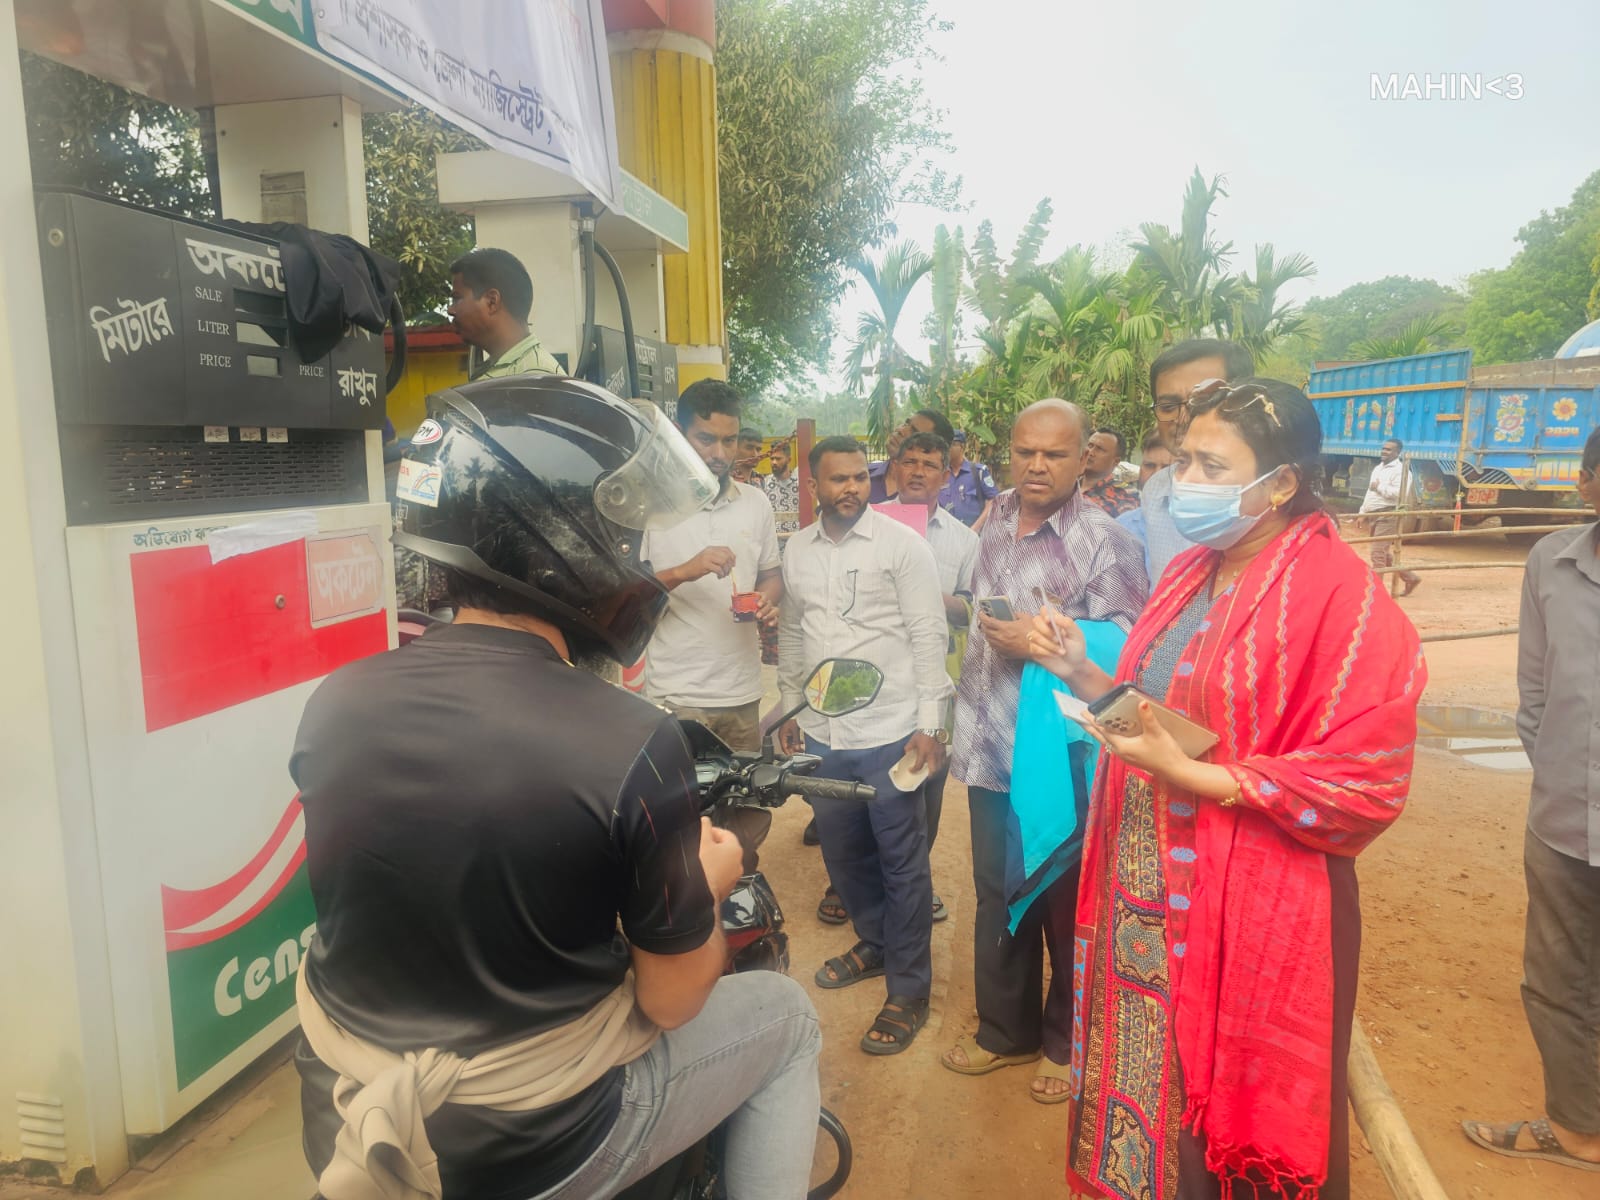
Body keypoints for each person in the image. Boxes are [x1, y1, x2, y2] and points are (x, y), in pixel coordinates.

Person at [294, 375, 821, 1200]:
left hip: (349, 1118)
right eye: (622, 531)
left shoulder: (335, 701)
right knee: (789, 1018)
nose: (632, 556)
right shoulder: (627, 738)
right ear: (556, 535)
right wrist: (711, 885)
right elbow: (674, 999)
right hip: (543, 1147)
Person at [1032, 377, 1426, 1199]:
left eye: (1213, 464)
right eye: (1183, 461)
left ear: (1280, 483)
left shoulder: (1339, 596)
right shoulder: (1190, 575)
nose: (1187, 482)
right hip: (1145, 881)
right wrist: (1082, 670)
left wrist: (1199, 777)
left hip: (1252, 896)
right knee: (1157, 1097)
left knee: (1233, 1132)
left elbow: (1367, 780)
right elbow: (1163, 712)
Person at [942, 400, 1148, 1103]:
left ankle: (1067, 1043)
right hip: (986, 740)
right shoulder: (994, 515)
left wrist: (1041, 636)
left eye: (1054, 455)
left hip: (1057, 757)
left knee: (1064, 899)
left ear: (1085, 457)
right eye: (1024, 450)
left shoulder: (1104, 538)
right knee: (997, 895)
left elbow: (1127, 642)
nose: (1036, 465)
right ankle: (1006, 1033)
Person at [778, 436, 952, 1056]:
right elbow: (796, 634)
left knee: (902, 861)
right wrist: (790, 707)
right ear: (813, 485)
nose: (850, 488)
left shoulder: (903, 546)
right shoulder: (796, 550)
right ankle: (876, 942)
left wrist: (930, 722)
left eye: (859, 477)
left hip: (892, 732)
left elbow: (929, 634)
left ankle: (909, 988)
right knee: (845, 856)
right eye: (837, 479)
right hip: (826, 731)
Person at [1462, 425, 1600, 1173]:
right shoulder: (1552, 560)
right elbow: (1535, 691)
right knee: (1558, 976)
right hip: (1563, 819)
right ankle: (1579, 1127)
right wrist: (1556, 770)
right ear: (1586, 482)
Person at [818, 431, 979, 928]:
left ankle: (912, 880)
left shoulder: (963, 539)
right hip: (866, 683)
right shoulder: (866, 522)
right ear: (892, 468)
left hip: (933, 678)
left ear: (946, 475)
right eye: (907, 462)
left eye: (929, 465)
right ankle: (849, 884)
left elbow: (970, 609)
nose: (916, 472)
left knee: (921, 786)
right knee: (853, 783)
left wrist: (929, 596)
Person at [643, 381, 781, 752]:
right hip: (676, 696)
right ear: (678, 433)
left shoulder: (755, 504)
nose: (719, 454)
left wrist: (765, 600)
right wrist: (686, 570)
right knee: (682, 809)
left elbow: (770, 574)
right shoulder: (649, 504)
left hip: (742, 694)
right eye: (706, 439)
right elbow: (626, 592)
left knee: (745, 808)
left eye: (730, 441)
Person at [1133, 339, 1255, 581]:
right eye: (1167, 406)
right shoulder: (1156, 490)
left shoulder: (1267, 494)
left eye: (1202, 401)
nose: (1183, 417)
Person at [447, 247, 563, 379]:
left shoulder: (533, 376)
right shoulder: (512, 371)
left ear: (492, 302)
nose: (450, 310)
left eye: (457, 298)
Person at [1360, 437, 1422, 596]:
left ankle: (1376, 593)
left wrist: (1379, 487)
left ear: (1397, 452)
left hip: (1388, 515)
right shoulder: (1378, 468)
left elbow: (1399, 495)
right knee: (1383, 553)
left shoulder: (1401, 471)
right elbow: (1369, 493)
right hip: (1374, 514)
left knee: (1377, 553)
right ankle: (1410, 577)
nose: (1384, 451)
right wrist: (1362, 513)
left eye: (1388, 449)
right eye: (1383, 448)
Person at [870, 408, 957, 502]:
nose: (900, 430)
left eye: (914, 432)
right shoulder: (863, 476)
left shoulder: (942, 500)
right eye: (906, 423)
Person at [1116, 431, 1177, 549]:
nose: (1156, 475)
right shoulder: (1120, 528)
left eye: (1167, 468)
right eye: (1149, 466)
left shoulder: (1200, 533)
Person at [941, 430, 1001, 530]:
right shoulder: (941, 475)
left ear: (962, 447)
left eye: (951, 444)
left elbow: (993, 501)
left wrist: (975, 529)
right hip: (948, 536)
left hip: (975, 536)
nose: (947, 449)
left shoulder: (978, 471)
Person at [1080, 427, 1140, 517]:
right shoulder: (1066, 484)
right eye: (1090, 445)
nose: (1090, 452)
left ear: (1116, 461)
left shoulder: (1126, 496)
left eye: (1099, 449)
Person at [763, 437, 800, 534]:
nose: (774, 462)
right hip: (773, 544)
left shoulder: (800, 485)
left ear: (789, 460)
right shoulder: (765, 484)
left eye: (778, 459)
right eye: (772, 459)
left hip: (794, 543)